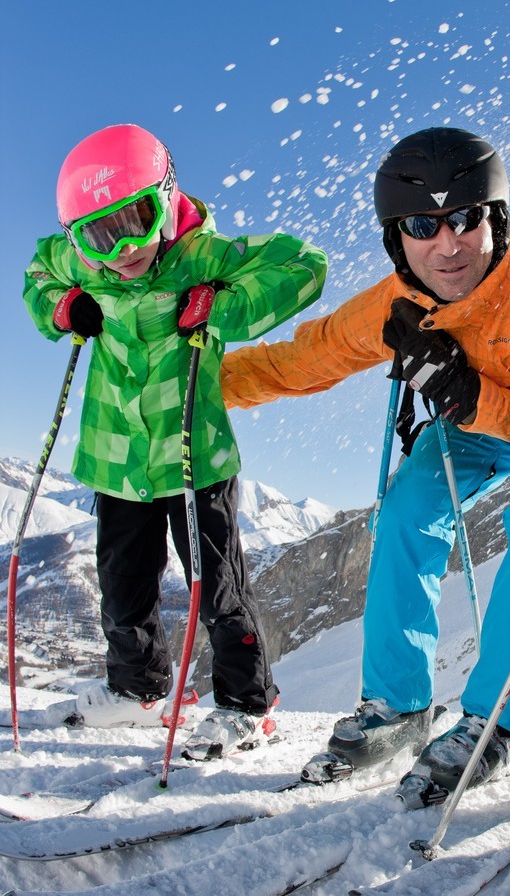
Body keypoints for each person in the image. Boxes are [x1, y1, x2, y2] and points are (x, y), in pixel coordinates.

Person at [221, 126, 510, 801]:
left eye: (466, 219)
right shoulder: (398, 298)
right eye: (423, 225)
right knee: (405, 511)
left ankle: (494, 722)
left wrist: (468, 394)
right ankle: (398, 707)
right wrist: (200, 386)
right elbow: (305, 359)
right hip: (472, 426)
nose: (447, 245)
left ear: (496, 219)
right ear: (398, 238)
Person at [23, 123, 328, 756]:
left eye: (136, 221)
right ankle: (138, 690)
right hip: (115, 457)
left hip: (196, 458)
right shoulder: (79, 262)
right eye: (99, 236)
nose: (122, 249)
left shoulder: (202, 256)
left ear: (165, 197)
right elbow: (37, 274)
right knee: (122, 586)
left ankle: (247, 704)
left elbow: (304, 265)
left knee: (216, 588)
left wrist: (222, 305)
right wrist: (61, 307)